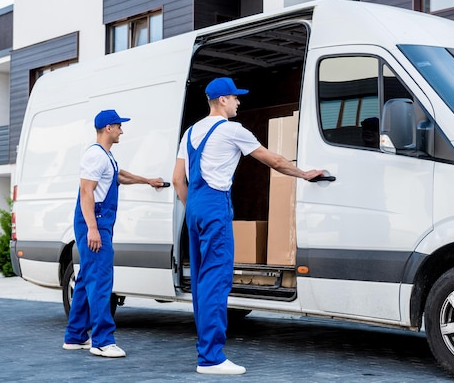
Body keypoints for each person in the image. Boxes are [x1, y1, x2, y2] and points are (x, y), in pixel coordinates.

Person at [172, 77, 324, 375]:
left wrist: (193, 209)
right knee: (216, 281)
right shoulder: (232, 130)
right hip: (214, 207)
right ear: (222, 100)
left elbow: (178, 179)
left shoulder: (190, 132)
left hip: (194, 208)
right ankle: (211, 358)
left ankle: (205, 350)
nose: (239, 102)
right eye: (235, 97)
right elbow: (275, 160)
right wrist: (304, 174)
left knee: (202, 283)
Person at [63, 109, 165, 358]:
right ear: (108, 128)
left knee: (88, 278)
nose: (122, 130)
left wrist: (147, 180)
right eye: (119, 126)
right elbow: (86, 193)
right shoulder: (95, 156)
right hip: (94, 220)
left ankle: (75, 336)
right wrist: (93, 230)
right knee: (101, 281)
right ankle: (102, 341)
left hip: (97, 220)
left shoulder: (105, 156)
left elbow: (119, 176)